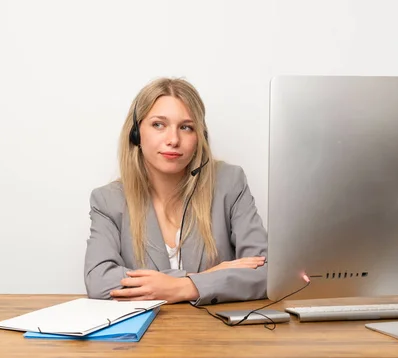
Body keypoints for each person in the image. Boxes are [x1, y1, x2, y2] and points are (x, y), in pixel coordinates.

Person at [84, 77, 267, 305]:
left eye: (186, 127)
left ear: (199, 137)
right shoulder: (107, 200)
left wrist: (184, 287)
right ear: (136, 133)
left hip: (219, 336)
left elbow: (267, 271)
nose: (173, 139)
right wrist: (201, 278)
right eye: (159, 124)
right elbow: (99, 282)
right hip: (147, 338)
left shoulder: (229, 182)